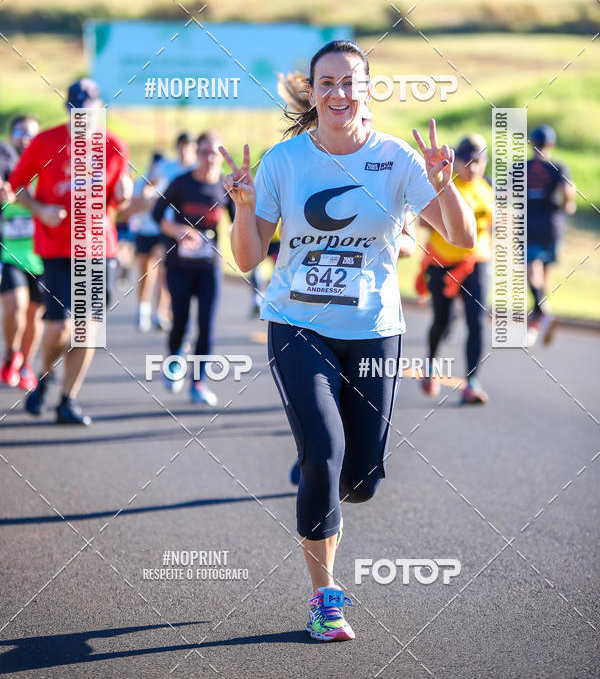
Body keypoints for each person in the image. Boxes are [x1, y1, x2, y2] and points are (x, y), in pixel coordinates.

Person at [220, 39, 476, 642]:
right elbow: (248, 258)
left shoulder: (397, 158)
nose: (338, 93)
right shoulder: (284, 161)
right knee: (323, 454)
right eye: (326, 83)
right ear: (313, 93)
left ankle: (327, 483)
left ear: (367, 90)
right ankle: (324, 598)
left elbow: (462, 238)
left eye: (349, 82)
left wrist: (444, 184)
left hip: (373, 331)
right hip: (297, 325)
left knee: (361, 480)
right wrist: (244, 208)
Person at [8, 79, 131, 425]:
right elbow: (17, 185)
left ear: (100, 110)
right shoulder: (45, 142)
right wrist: (40, 210)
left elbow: (117, 201)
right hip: (57, 248)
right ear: (67, 111)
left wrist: (124, 194)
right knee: (59, 331)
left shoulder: (114, 146)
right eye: (76, 112)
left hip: (98, 248)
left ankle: (67, 400)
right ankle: (45, 379)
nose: (83, 119)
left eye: (89, 112)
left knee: (87, 332)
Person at [153, 131, 235, 406]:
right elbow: (157, 214)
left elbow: (237, 221)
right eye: (204, 152)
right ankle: (174, 358)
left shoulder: (225, 187)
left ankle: (199, 383)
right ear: (197, 154)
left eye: (215, 153)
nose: (209, 158)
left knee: (206, 325)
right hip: (179, 265)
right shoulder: (181, 183)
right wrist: (178, 230)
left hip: (209, 267)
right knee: (181, 321)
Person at [415, 134, 492, 404]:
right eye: (467, 162)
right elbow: (423, 222)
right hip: (443, 262)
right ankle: (430, 367)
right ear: (456, 161)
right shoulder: (445, 184)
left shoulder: (487, 188)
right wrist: (453, 218)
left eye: (478, 162)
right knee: (442, 320)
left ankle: (472, 382)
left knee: (476, 322)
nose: (472, 168)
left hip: (476, 262)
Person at [0, 115, 44, 389]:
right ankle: (11, 354)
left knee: (34, 314)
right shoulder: (5, 160)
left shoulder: (46, 165)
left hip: (42, 255)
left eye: (31, 134)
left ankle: (26, 364)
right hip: (10, 253)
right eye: (20, 132)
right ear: (11, 136)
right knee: (16, 305)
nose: (25, 139)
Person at [526, 125, 575, 346]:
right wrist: (568, 206)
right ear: (551, 145)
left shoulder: (522, 167)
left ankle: (542, 314)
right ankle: (537, 319)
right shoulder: (559, 167)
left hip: (529, 226)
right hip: (553, 227)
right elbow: (568, 196)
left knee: (532, 271)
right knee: (543, 274)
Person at [119, 152, 171, 332]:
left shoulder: (168, 184)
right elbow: (128, 209)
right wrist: (145, 201)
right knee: (146, 273)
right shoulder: (142, 183)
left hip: (162, 232)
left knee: (163, 273)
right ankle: (143, 309)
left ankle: (160, 313)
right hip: (144, 232)